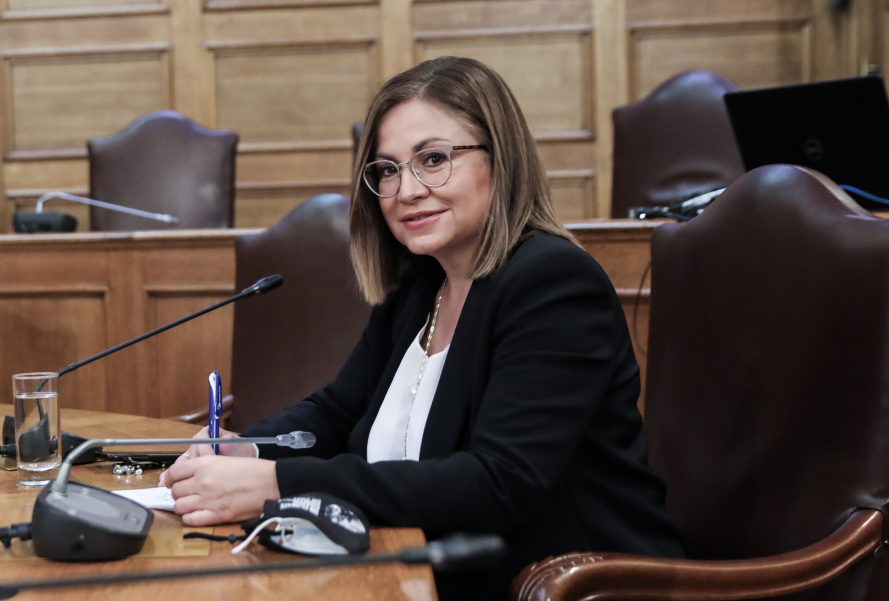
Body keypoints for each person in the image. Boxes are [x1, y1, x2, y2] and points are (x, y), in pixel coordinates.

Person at [160, 56, 683, 600]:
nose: (406, 189)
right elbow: (337, 413)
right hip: (430, 575)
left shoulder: (554, 283)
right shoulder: (421, 286)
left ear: (500, 160)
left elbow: (498, 483)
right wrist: (252, 449)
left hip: (578, 586)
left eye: (433, 159)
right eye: (387, 169)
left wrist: (278, 483)